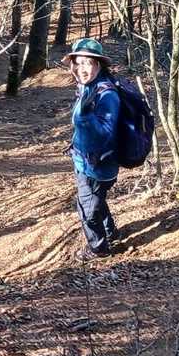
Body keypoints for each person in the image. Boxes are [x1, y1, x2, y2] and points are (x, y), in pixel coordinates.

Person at [63, 37, 121, 258]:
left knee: (87, 209)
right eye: (77, 63)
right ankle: (110, 233)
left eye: (87, 62)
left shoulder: (106, 95)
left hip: (97, 165)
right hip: (83, 160)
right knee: (96, 200)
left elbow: (106, 133)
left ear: (99, 64)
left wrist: (85, 119)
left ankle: (98, 249)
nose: (81, 68)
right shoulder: (87, 87)